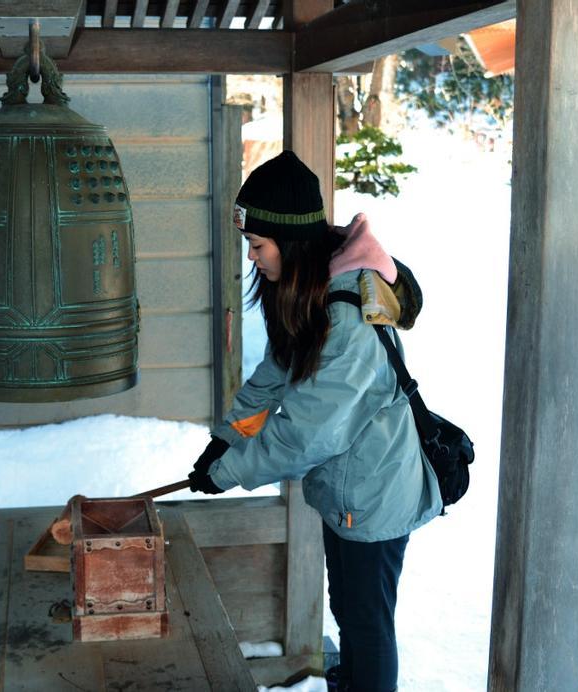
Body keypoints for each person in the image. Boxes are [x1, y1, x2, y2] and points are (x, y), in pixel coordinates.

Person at [189, 151, 441, 692]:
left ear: (290, 241)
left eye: (258, 246)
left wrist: (230, 472)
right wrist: (227, 438)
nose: (253, 258)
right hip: (346, 487)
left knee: (367, 625)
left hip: (373, 492)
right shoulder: (310, 292)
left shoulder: (345, 318)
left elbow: (308, 432)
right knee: (350, 611)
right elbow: (273, 375)